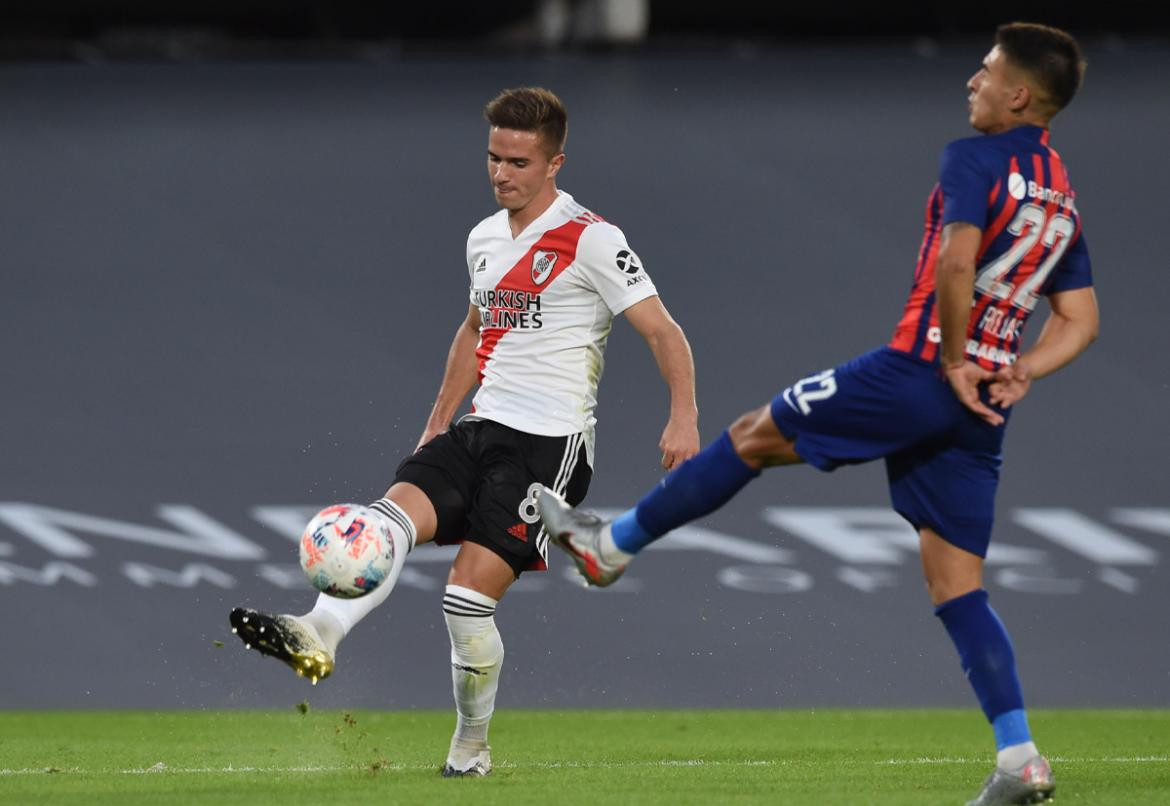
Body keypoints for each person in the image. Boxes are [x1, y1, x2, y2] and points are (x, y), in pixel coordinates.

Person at [538, 23, 1094, 806]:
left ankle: (612, 547)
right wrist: (1016, 371)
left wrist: (959, 359)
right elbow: (1080, 320)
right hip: (982, 409)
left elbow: (957, 261)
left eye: (986, 71)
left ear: (1019, 95)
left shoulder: (976, 158)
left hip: (921, 371)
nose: (971, 81)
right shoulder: (1060, 191)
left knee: (749, 437)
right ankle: (1019, 757)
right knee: (957, 586)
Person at [229, 87, 700, 777]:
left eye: (517, 161)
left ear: (554, 164)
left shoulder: (592, 239)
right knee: (381, 525)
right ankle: (318, 631)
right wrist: (436, 422)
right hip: (479, 428)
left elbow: (663, 330)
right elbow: (476, 329)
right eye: (493, 157)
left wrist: (682, 415)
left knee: (464, 602)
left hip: (549, 447)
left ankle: (471, 747)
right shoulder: (483, 238)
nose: (501, 172)